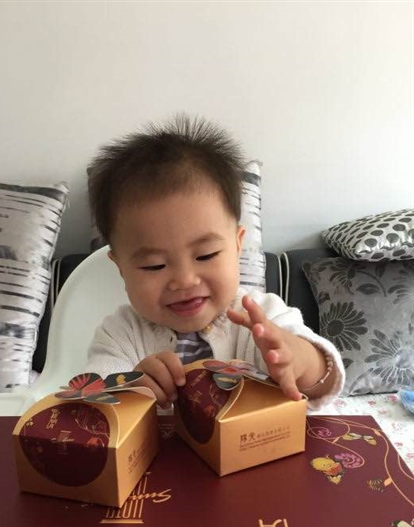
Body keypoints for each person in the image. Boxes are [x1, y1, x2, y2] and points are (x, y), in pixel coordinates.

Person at [86, 115, 345, 410]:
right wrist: (129, 388)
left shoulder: (260, 317)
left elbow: (325, 378)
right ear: (120, 267)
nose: (185, 280)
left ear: (237, 245)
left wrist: (297, 359)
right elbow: (93, 400)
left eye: (206, 255)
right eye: (154, 265)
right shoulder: (120, 334)